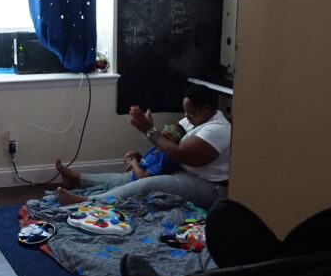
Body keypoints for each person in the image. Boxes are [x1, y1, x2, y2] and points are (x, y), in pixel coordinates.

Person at [55, 84, 231, 209]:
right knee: (131, 177)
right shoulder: (195, 119)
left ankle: (87, 202)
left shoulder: (218, 129)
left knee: (148, 183)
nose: (187, 116)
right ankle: (77, 179)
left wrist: (149, 131)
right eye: (185, 111)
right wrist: (147, 148)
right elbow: (168, 141)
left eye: (191, 112)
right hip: (185, 171)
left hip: (211, 187)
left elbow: (181, 154)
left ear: (207, 109)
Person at [56, 123, 186, 191]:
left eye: (173, 133)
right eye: (167, 128)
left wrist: (134, 163)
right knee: (104, 179)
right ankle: (73, 178)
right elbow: (147, 165)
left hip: (136, 184)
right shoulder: (155, 148)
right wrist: (137, 156)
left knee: (106, 184)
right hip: (131, 178)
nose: (168, 132)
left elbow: (144, 179)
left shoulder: (166, 157)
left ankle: (74, 181)